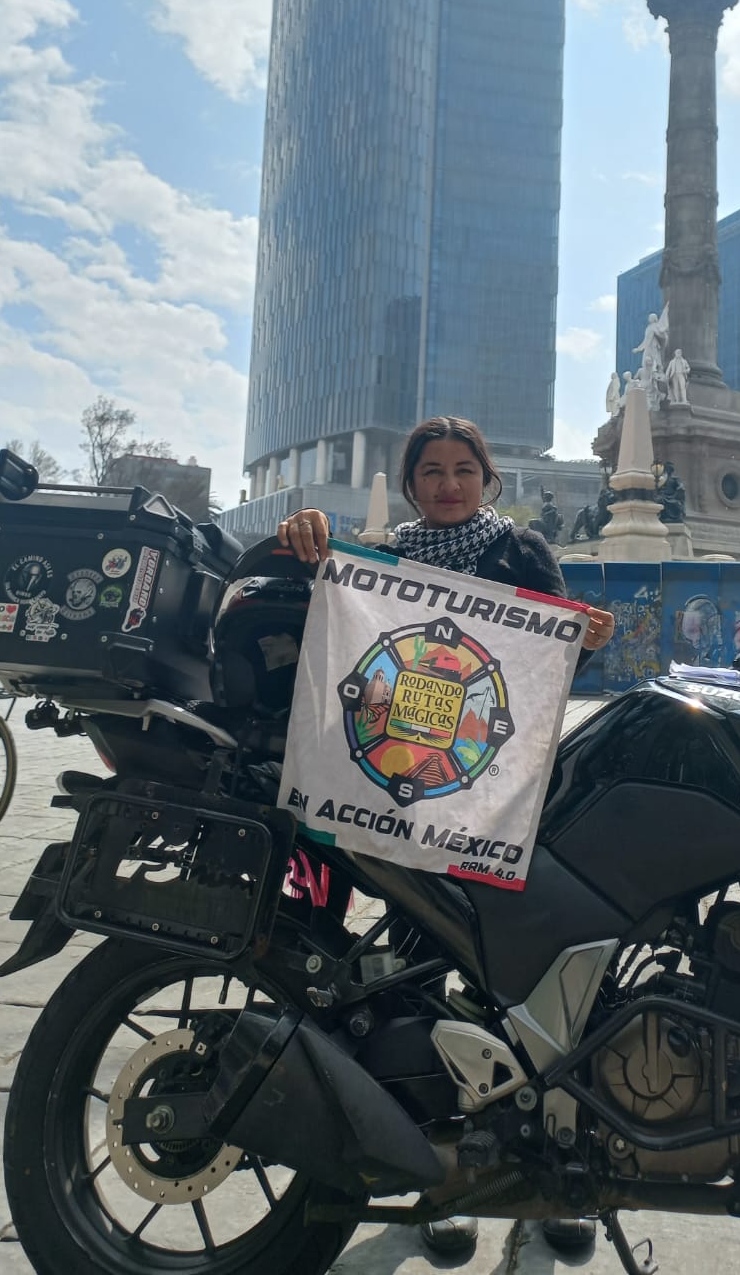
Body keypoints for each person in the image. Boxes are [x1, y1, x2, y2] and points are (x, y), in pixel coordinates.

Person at [279, 415, 614, 1259]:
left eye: (464, 468)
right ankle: (440, 1180)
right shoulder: (383, 562)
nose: (448, 483)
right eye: (431, 470)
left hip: (496, 803)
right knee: (419, 983)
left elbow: (553, 665)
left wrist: (589, 636)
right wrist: (307, 541)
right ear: (412, 481)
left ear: (488, 476)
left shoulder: (524, 553)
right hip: (405, 806)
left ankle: (550, 1184)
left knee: (532, 985)